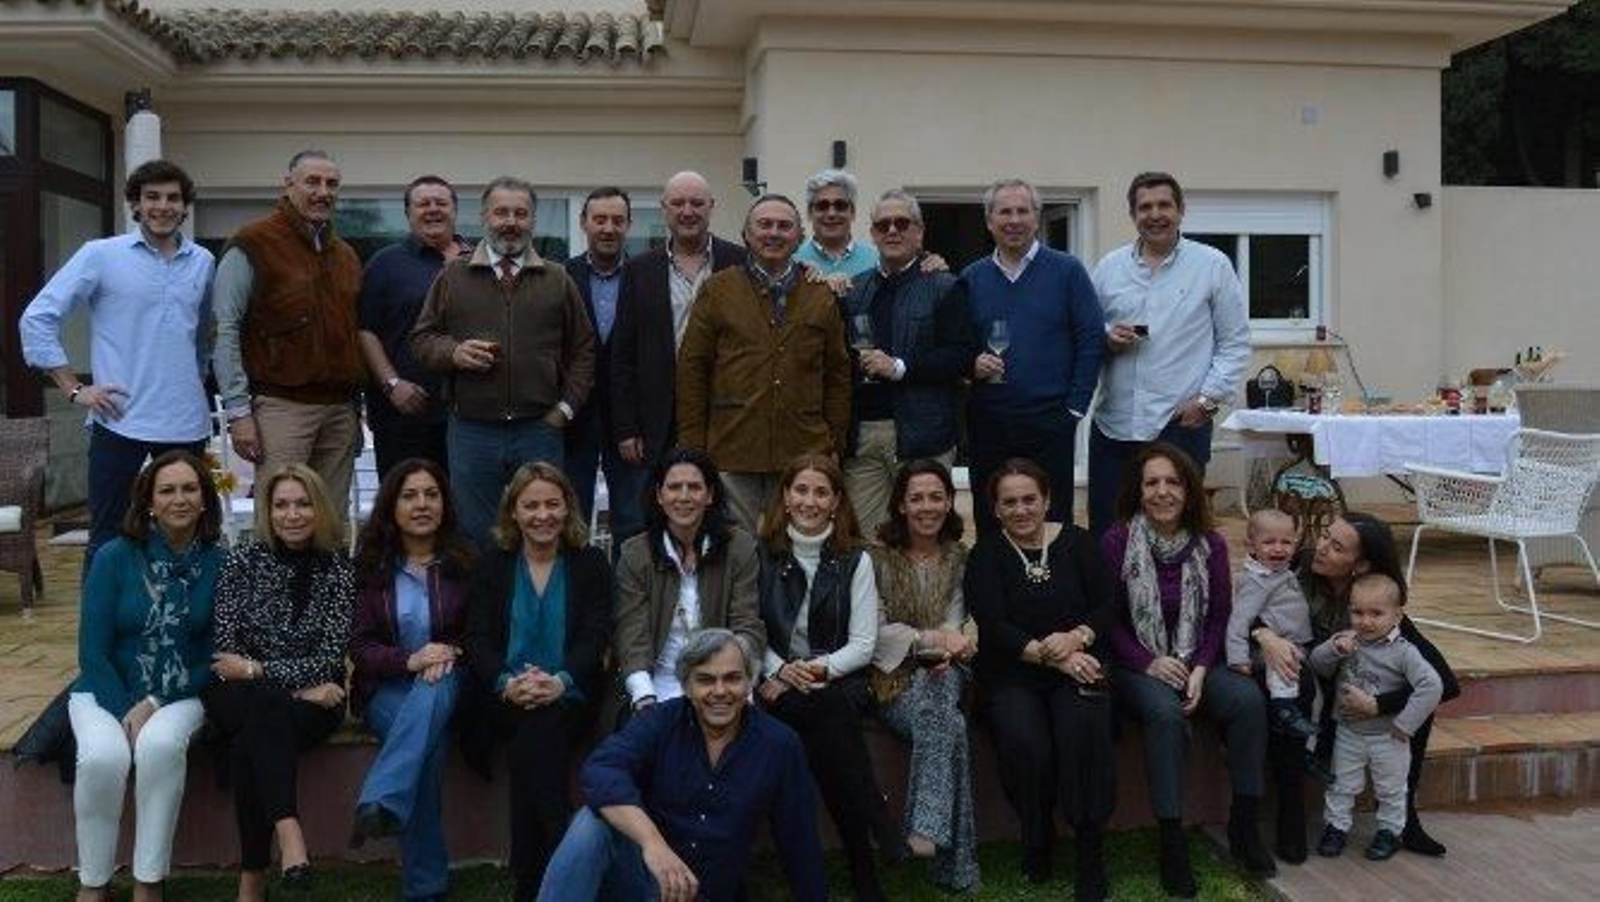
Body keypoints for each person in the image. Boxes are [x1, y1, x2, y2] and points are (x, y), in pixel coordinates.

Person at [20, 159, 214, 569]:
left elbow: (201, 340)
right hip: (119, 420)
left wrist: (191, 380)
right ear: (136, 205)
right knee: (109, 539)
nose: (163, 206)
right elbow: (37, 318)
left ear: (185, 206)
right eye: (152, 197)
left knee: (190, 536)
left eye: (173, 198)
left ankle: (181, 630)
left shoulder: (203, 262)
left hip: (186, 422)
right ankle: (100, 633)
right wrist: (74, 388)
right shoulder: (100, 256)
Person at [538, 629, 826, 902]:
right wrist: (653, 845)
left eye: (732, 678)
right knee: (591, 824)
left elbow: (800, 842)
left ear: (750, 682)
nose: (720, 691)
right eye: (705, 680)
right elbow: (602, 770)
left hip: (705, 893)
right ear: (686, 685)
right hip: (642, 883)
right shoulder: (661, 721)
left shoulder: (779, 745)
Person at [1102, 443, 1274, 897]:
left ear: (1188, 489)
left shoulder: (1210, 543)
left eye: (1172, 482)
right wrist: (1150, 662)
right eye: (1152, 482)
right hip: (1138, 662)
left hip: (1198, 658)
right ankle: (1172, 837)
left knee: (1247, 701)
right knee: (1164, 714)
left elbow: (1220, 616)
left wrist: (1199, 667)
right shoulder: (1118, 540)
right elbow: (1108, 620)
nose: (1162, 492)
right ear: (1138, 492)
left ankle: (1243, 825)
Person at [1252, 512, 1460, 863]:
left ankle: (1402, 815)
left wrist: (1379, 705)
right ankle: (1292, 817)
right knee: (1298, 684)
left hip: (1345, 695)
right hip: (1287, 672)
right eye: (1324, 537)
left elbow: (1443, 682)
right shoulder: (1297, 567)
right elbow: (1246, 597)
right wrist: (1265, 634)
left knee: (1417, 701)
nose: (1320, 548)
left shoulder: (1375, 603)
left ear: (1361, 565)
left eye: (1336, 547)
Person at [70, 451, 224, 902]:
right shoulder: (113, 557)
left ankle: (148, 881)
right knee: (102, 757)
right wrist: (125, 714)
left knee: (159, 746)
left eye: (190, 489)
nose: (180, 498)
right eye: (168, 490)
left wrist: (154, 702)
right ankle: (93, 884)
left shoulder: (222, 563)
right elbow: (91, 652)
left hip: (181, 692)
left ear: (204, 500)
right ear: (149, 503)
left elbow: (215, 654)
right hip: (105, 689)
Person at [410, 177, 597, 549]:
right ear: (484, 217)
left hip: (539, 429)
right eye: (501, 212)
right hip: (471, 431)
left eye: (521, 213)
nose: (511, 221)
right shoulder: (454, 275)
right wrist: (454, 353)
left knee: (543, 530)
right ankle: (487, 608)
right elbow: (422, 339)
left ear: (532, 220)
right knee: (477, 537)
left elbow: (584, 349)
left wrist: (565, 409)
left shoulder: (556, 278)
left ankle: (536, 605)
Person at [201, 464, 354, 901]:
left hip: (311, 702)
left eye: (303, 504)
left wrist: (259, 672)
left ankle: (251, 880)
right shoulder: (241, 559)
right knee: (263, 711)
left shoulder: (339, 570)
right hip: (247, 694)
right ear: (267, 511)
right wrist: (292, 684)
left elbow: (330, 656)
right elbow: (225, 655)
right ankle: (289, 832)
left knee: (254, 735)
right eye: (282, 504)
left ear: (320, 508)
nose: (293, 514)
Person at [461, 462, 611, 901]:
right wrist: (509, 684)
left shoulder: (590, 562)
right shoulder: (493, 564)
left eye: (552, 504)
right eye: (531, 505)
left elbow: (594, 636)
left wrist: (560, 682)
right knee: (534, 730)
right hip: (504, 695)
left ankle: (531, 881)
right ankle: (564, 866)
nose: (543, 515)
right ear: (513, 513)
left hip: (571, 695)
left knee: (538, 730)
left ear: (568, 509)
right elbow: (478, 639)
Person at [754, 454, 901, 901]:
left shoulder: (854, 559)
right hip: (777, 680)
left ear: (837, 501)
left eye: (821, 492)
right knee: (831, 729)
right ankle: (872, 842)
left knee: (829, 710)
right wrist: (780, 668)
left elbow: (863, 644)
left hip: (836, 680)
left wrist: (812, 671)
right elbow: (749, 627)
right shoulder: (760, 554)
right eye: (801, 490)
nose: (810, 501)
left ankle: (856, 857)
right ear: (785, 496)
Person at [965, 458, 1115, 896]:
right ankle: (1037, 836)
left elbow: (1107, 603)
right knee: (1024, 740)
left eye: (1029, 499)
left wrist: (1077, 637)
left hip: (1080, 662)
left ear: (1047, 499)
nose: (1021, 509)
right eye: (1009, 502)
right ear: (995, 509)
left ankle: (1089, 846)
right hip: (1013, 673)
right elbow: (993, 624)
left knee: (1082, 727)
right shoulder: (987, 554)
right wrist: (1055, 658)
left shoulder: (1080, 543)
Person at [1088, 171, 1251, 538]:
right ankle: (1112, 598)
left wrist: (1207, 401)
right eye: (1145, 207)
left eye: (1164, 205)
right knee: (1109, 533)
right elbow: (1087, 332)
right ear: (1133, 215)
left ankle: (1179, 597)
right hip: (1114, 426)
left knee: (1178, 533)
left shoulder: (1212, 265)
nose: (1155, 214)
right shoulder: (1109, 268)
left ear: (1181, 211)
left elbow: (1235, 341)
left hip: (1179, 425)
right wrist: (1107, 338)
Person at [677, 195, 852, 533]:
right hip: (731, 449)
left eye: (784, 226)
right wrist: (693, 449)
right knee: (733, 551)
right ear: (746, 234)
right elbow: (692, 371)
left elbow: (837, 375)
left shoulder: (819, 295)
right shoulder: (718, 290)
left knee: (797, 551)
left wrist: (834, 444)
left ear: (800, 238)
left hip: (803, 452)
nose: (774, 233)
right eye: (765, 224)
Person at [347, 459, 475, 900]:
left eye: (431, 494)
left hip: (448, 679)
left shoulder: (466, 562)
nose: (422, 504)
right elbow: (360, 647)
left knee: (434, 690)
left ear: (444, 503)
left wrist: (450, 652)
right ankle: (427, 887)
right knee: (428, 744)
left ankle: (382, 798)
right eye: (410, 495)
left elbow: (481, 635)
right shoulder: (370, 566)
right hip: (386, 689)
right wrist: (410, 660)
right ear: (391, 507)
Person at [213, 150, 365, 519]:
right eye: (312, 182)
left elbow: (354, 335)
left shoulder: (345, 255)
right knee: (282, 517)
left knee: (330, 521)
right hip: (281, 407)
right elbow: (223, 328)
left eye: (332, 184)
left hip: (340, 410)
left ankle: (328, 581)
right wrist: (238, 412)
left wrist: (356, 410)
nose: (323, 191)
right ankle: (274, 581)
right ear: (289, 185)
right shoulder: (252, 243)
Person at [963, 178, 1104, 536]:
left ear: (1037, 217)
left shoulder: (1067, 271)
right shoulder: (971, 278)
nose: (1014, 220)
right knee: (991, 518)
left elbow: (1090, 340)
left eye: (1022, 211)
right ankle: (997, 591)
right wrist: (971, 363)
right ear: (989, 220)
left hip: (1050, 421)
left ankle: (1053, 590)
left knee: (1053, 520)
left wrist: (1075, 408)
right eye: (1004, 212)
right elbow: (957, 345)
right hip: (989, 422)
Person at [867, 459, 979, 892]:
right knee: (949, 724)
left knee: (940, 688)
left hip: (946, 670)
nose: (927, 506)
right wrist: (929, 638)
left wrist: (953, 643)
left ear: (950, 501)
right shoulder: (875, 558)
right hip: (891, 679)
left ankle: (925, 830)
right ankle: (957, 868)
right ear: (900, 504)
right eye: (916, 498)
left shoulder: (958, 557)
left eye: (936, 497)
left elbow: (959, 622)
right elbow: (873, 632)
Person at [841, 190, 977, 539]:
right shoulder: (855, 290)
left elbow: (960, 355)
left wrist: (900, 367)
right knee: (868, 542)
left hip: (924, 433)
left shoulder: (945, 286)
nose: (892, 231)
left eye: (902, 223)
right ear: (871, 234)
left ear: (919, 232)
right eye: (882, 224)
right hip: (864, 436)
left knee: (927, 539)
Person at [609, 171, 746, 480]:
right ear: (664, 208)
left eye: (697, 203)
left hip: (724, 412)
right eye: (678, 203)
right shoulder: (638, 270)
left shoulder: (740, 262)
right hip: (657, 417)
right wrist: (627, 427)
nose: (687, 211)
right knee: (658, 506)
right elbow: (623, 355)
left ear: (711, 207)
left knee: (720, 504)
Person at [612, 447, 765, 716]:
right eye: (674, 487)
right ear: (659, 495)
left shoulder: (739, 547)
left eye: (694, 487)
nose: (684, 496)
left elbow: (747, 624)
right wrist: (644, 697)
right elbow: (631, 636)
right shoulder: (635, 554)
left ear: (710, 495)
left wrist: (738, 686)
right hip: (658, 681)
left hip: (721, 680)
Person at [1308, 573, 1442, 861]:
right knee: (1341, 784)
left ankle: (1389, 832)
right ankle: (1336, 827)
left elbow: (1432, 685)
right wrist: (1333, 649)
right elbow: (1317, 664)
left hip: (1388, 736)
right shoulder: (1348, 641)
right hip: (1348, 731)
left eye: (1376, 614)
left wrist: (1406, 724)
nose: (1365, 621)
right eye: (1357, 612)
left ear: (1397, 616)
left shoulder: (1404, 652)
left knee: (1391, 788)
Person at [357, 176, 474, 477]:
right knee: (403, 503)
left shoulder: (479, 262)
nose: (433, 209)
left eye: (441, 203)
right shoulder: (385, 264)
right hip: (405, 412)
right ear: (408, 213)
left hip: (471, 413)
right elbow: (365, 330)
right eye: (423, 204)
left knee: (464, 509)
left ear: (455, 211)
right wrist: (392, 384)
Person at [563, 187, 643, 546]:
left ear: (629, 225)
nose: (608, 228)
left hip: (631, 422)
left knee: (631, 519)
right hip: (573, 417)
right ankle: (579, 599)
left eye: (617, 220)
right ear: (584, 224)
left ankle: (627, 601)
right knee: (569, 515)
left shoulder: (648, 277)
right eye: (600, 220)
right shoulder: (560, 277)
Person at [1226, 509, 1318, 740]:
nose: (1279, 548)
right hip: (1267, 649)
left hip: (1292, 640)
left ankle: (1298, 735)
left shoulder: (1277, 571)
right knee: (1283, 669)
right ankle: (1284, 710)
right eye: (1269, 542)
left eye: (1286, 542)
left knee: (1307, 680)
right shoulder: (1257, 580)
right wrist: (1237, 658)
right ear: (1251, 546)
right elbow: (1239, 619)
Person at [794, 169, 880, 278]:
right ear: (810, 213)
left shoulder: (876, 260)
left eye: (840, 205)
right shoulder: (794, 260)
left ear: (852, 212)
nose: (831, 214)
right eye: (822, 206)